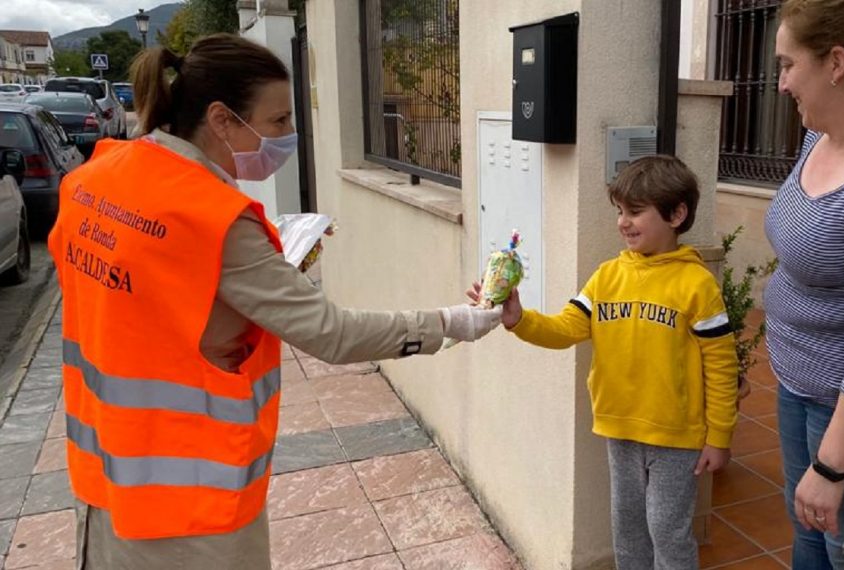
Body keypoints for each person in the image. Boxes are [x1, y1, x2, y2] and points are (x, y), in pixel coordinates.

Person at [46, 34, 502, 570]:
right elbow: (332, 333)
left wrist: (252, 291)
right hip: (188, 502)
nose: (289, 137)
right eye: (279, 120)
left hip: (105, 474)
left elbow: (140, 294)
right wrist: (455, 322)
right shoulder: (212, 215)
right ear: (222, 120)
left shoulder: (93, 180)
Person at [474, 156, 738, 569]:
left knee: (668, 534)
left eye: (635, 212)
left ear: (676, 214)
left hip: (676, 438)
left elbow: (721, 365)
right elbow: (566, 328)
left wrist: (719, 436)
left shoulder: (697, 285)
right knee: (628, 533)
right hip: (620, 429)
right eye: (619, 211)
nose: (623, 222)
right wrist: (519, 320)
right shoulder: (606, 277)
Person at [762, 0, 844, 568]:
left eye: (789, 65)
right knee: (807, 535)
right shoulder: (813, 140)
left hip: (836, 406)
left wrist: (831, 466)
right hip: (792, 380)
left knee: (838, 547)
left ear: (836, 62)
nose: (782, 83)